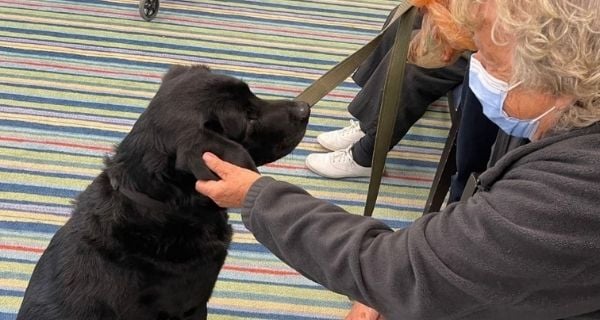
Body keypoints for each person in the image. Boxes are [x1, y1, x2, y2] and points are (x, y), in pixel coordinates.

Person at [196, 0, 600, 318]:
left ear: (554, 76)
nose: (474, 68)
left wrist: (256, 196)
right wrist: (397, 284)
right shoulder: (552, 115)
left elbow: (400, 271)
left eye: (490, 60)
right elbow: (467, 237)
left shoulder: (572, 192)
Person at [305, 9, 468, 179]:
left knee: (416, 63)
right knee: (405, 17)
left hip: (489, 50)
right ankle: (369, 125)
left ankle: (365, 157)